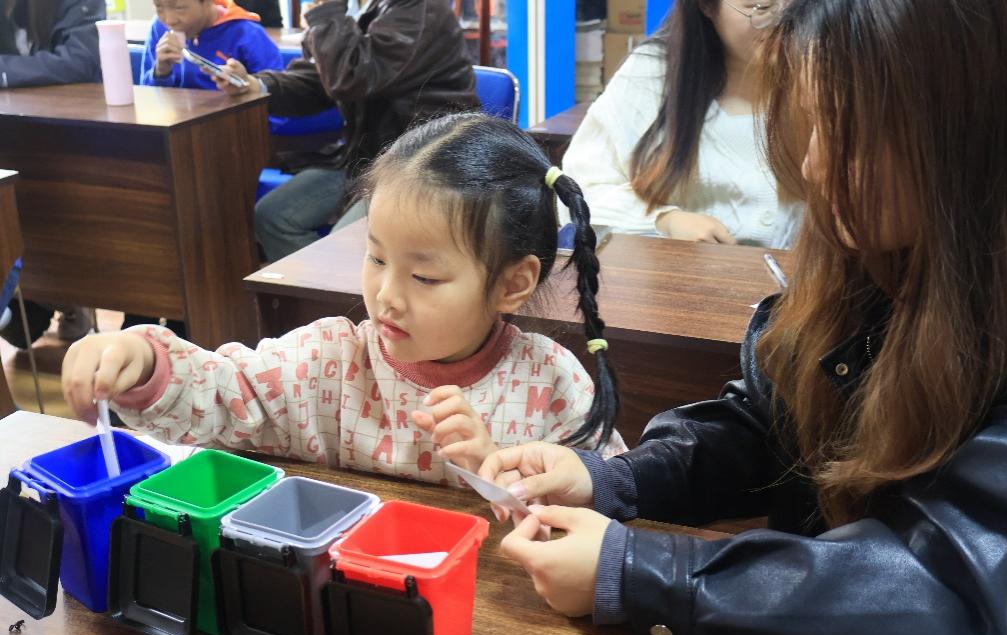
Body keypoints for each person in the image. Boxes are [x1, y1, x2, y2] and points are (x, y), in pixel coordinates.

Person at [481, 0, 1007, 635]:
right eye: (813, 122)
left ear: (966, 129)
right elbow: (767, 425)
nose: (816, 164)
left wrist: (641, 573)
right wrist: (611, 480)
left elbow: (953, 585)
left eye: (853, 133)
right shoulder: (870, 263)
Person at [61, 113, 626, 484]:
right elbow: (227, 392)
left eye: (424, 277)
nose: (386, 296)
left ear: (511, 284)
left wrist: (494, 472)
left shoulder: (550, 386)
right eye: (376, 258)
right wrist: (144, 364)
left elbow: (606, 507)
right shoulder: (330, 361)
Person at [211, 0, 480, 262]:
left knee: (344, 246)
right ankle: (320, 288)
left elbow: (351, 77)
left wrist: (327, 13)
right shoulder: (366, 8)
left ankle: (342, 286)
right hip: (365, 158)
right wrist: (257, 85)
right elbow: (320, 79)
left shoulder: (420, 9)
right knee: (273, 217)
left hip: (421, 164)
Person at [561, 0, 801, 248]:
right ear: (707, 6)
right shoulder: (653, 75)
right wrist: (666, 220)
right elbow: (577, 193)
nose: (783, 20)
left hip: (798, 271)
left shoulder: (821, 79)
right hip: (678, 268)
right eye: (760, 7)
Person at [0, 0, 105, 349]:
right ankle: (49, 293)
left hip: (74, 137)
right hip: (11, 136)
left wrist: (4, 72)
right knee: (20, 332)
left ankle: (72, 292)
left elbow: (80, 60)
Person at [140, 0, 281, 90]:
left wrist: (245, 86)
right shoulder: (159, 28)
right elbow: (147, 98)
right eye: (159, 7)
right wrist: (161, 72)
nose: (169, 20)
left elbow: (279, 96)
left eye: (179, 8)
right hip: (178, 124)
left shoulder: (246, 33)